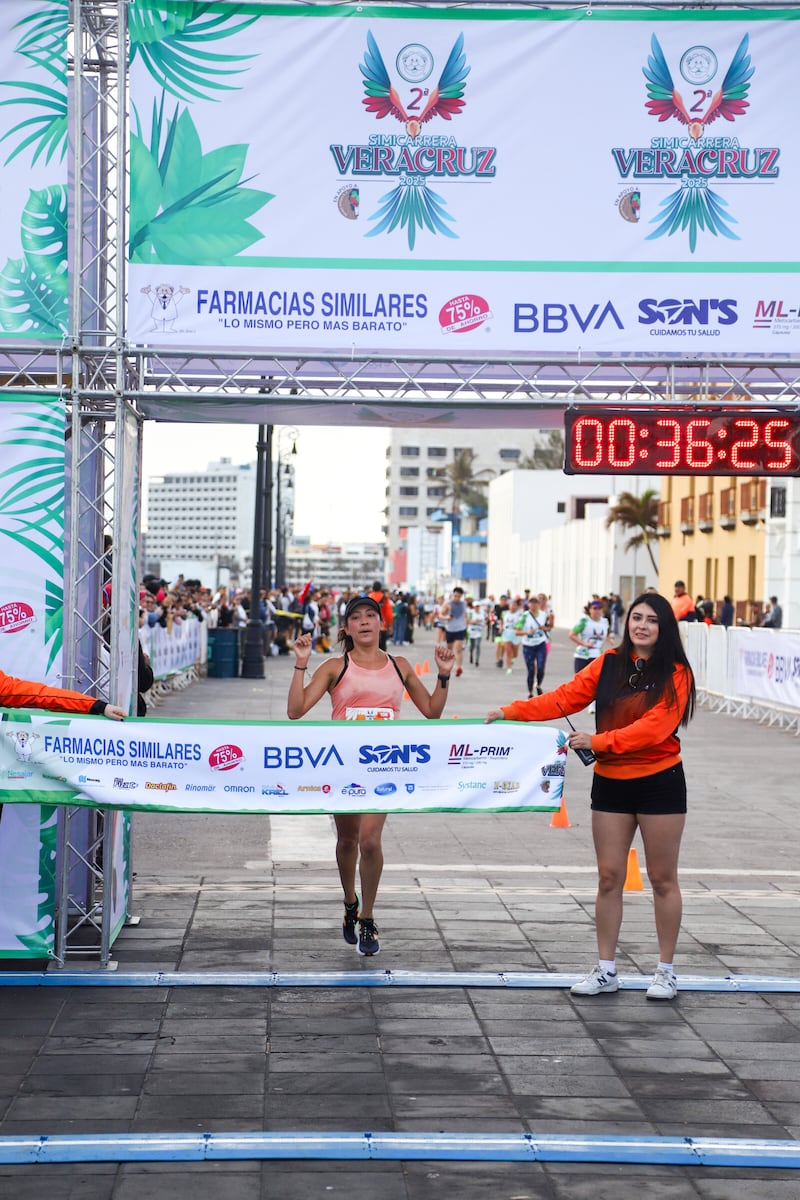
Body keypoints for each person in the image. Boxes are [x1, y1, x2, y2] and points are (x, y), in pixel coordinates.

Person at [485, 591, 695, 1002]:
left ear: (664, 626)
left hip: (661, 781)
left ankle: (666, 972)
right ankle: (606, 970)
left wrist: (598, 740)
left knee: (663, 879)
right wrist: (510, 711)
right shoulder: (609, 664)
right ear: (627, 622)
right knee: (608, 878)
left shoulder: (676, 671)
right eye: (636, 617)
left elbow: (655, 728)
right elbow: (563, 698)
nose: (642, 626)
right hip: (611, 783)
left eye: (652, 620)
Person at [288, 595, 455, 957]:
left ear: (382, 624)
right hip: (344, 767)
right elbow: (295, 711)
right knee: (347, 841)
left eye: (371, 616)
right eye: (356, 618)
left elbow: (432, 712)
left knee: (370, 842)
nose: (364, 622)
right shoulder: (336, 666)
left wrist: (443, 674)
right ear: (347, 628)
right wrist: (301, 664)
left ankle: (368, 916)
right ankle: (350, 902)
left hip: (384, 768)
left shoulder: (400, 665)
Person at [517, 593, 549, 697]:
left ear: (539, 604)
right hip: (528, 645)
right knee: (531, 669)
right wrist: (527, 632)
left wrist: (545, 628)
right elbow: (517, 631)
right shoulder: (524, 616)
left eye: (536, 602)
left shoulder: (543, 614)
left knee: (540, 668)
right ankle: (530, 692)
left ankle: (538, 685)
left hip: (540, 644)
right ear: (528, 604)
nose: (534, 604)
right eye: (531, 602)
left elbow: (549, 627)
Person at [441, 586, 467, 677]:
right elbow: (440, 615)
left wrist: (467, 624)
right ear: (452, 595)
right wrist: (447, 617)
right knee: (450, 650)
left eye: (458, 596)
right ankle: (448, 666)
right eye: (455, 596)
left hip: (460, 629)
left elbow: (466, 615)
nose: (456, 598)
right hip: (450, 629)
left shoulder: (463, 604)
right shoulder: (448, 604)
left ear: (461, 596)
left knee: (458, 649)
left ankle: (459, 667)